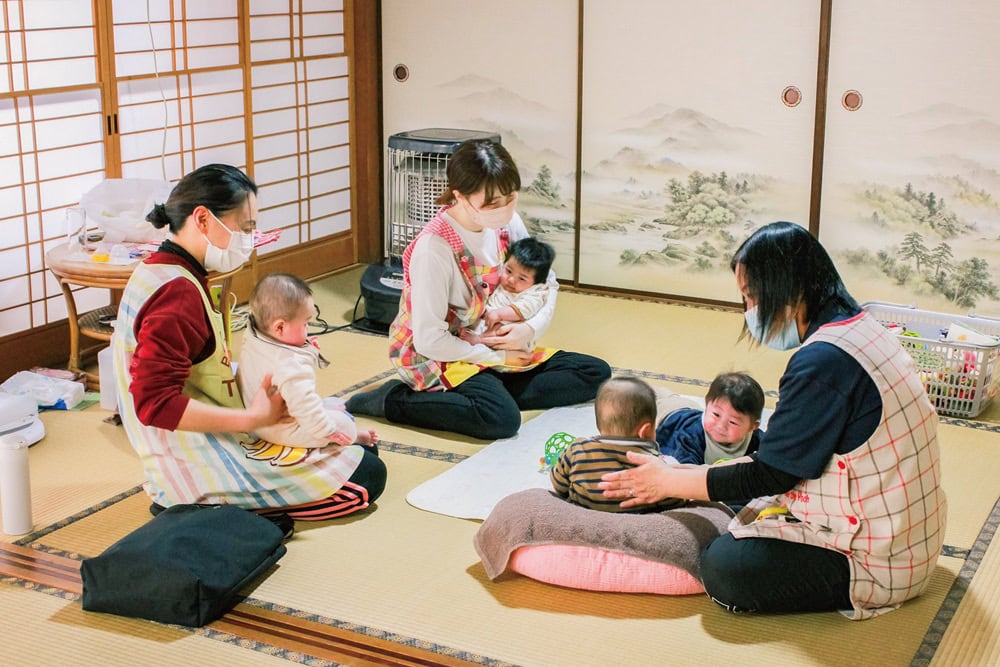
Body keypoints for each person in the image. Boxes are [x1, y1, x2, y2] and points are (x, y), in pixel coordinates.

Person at [599, 221, 946, 620]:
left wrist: (667, 480)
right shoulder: (862, 327)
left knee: (725, 565)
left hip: (880, 560)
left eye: (750, 298)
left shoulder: (822, 362)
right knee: (745, 508)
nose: (749, 312)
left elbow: (772, 475)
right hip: (915, 535)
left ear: (786, 288)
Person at [111, 164, 387, 535]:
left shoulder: (160, 269)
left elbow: (198, 367)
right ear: (203, 219)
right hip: (190, 456)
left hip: (199, 438)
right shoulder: (176, 294)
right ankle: (205, 507)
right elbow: (154, 405)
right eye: (245, 227)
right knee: (367, 474)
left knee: (343, 430)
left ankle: (205, 503)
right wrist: (253, 419)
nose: (251, 237)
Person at [347, 140, 611, 440]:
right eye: (491, 203)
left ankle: (486, 391)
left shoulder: (507, 222)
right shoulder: (434, 248)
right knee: (500, 420)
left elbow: (546, 283)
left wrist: (528, 330)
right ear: (459, 195)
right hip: (440, 352)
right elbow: (430, 340)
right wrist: (497, 359)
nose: (504, 208)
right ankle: (393, 399)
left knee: (594, 373)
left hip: (489, 339)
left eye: (510, 197)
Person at [237, 272, 378, 450]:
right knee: (343, 423)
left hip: (256, 421)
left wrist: (305, 349)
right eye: (305, 324)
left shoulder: (253, 337)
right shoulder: (290, 365)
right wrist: (329, 431)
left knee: (329, 403)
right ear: (280, 327)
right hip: (285, 431)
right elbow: (303, 402)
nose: (308, 328)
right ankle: (356, 436)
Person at [551, 376, 686, 513]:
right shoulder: (654, 463)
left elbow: (559, 486)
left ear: (599, 424)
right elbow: (675, 501)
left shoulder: (577, 450)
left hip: (584, 521)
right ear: (645, 431)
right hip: (636, 526)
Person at [461, 237, 555, 348]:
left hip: (512, 336)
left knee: (501, 330)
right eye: (509, 271)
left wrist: (499, 314)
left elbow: (523, 309)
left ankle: (480, 340)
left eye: (522, 278)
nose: (511, 280)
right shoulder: (504, 281)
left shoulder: (536, 292)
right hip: (489, 320)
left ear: (537, 282)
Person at [654, 372, 764, 465]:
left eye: (733, 422)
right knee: (649, 400)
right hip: (670, 415)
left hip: (689, 409)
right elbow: (683, 474)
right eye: (716, 415)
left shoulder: (755, 439)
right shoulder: (690, 436)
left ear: (752, 427)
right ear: (707, 406)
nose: (721, 426)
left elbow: (775, 453)